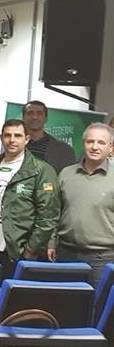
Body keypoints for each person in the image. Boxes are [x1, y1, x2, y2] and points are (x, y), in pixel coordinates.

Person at [0, 119, 59, 276]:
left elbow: (48, 216)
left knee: (13, 291)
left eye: (18, 135)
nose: (12, 140)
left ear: (27, 139)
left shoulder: (41, 170)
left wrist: (31, 249)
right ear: (1, 138)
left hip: (19, 249)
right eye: (8, 135)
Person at [49, 123, 114, 286]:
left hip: (103, 258)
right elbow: (54, 211)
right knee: (65, 298)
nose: (94, 147)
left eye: (101, 142)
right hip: (66, 253)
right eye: (90, 141)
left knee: (99, 301)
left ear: (111, 148)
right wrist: (51, 242)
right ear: (83, 144)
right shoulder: (66, 174)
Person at [22, 100, 77, 174]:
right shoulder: (13, 145)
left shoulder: (64, 150)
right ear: (23, 117)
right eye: (30, 113)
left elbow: (67, 177)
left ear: (46, 118)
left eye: (39, 113)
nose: (34, 117)